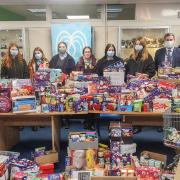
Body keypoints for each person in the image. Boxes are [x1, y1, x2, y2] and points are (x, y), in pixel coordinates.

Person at [126, 37, 156, 134]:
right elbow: (127, 69)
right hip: (131, 84)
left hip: (143, 85)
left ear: (143, 46)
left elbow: (152, 69)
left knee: (140, 104)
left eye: (139, 44)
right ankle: (130, 124)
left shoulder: (148, 57)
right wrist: (129, 75)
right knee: (131, 103)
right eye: (136, 44)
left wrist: (145, 75)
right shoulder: (131, 57)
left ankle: (138, 125)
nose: (137, 46)